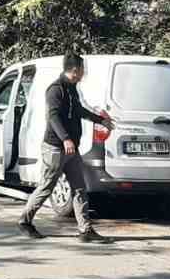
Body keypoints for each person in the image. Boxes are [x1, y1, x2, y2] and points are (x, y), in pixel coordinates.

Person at [18, 54, 115, 243]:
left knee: (80, 188)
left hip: (72, 149)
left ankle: (85, 230)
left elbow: (78, 111)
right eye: (82, 69)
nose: (84, 73)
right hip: (55, 148)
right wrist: (65, 139)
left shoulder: (72, 88)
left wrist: (101, 120)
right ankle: (24, 221)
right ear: (75, 70)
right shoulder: (55, 90)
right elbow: (53, 117)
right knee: (47, 187)